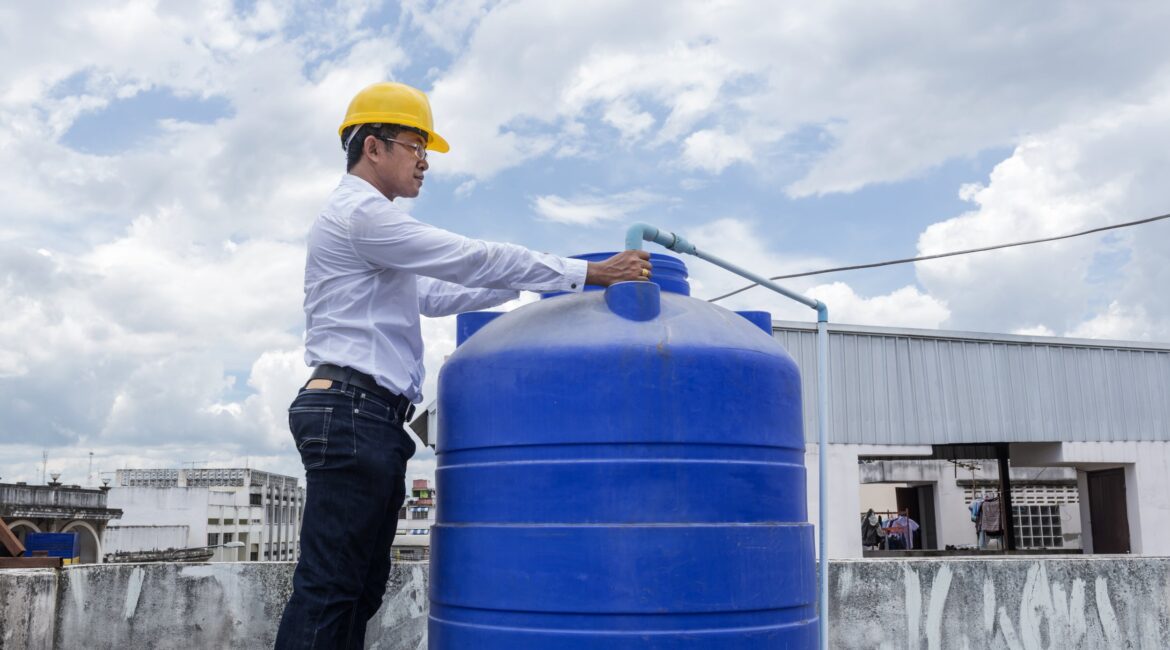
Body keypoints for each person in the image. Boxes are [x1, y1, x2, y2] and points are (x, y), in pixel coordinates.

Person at [274, 81, 650, 649]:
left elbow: (433, 293)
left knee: (358, 588)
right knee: (331, 588)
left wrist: (534, 291)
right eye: (415, 146)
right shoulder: (362, 215)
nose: (425, 162)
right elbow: (472, 257)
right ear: (373, 147)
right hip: (350, 414)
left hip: (364, 416)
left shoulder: (370, 232)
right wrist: (588, 273)